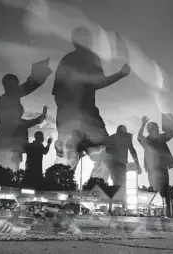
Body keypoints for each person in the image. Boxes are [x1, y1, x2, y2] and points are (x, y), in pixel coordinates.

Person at [52, 26, 131, 173]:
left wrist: (62, 127)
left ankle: (57, 187)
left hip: (68, 120)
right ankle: (106, 191)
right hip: (88, 119)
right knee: (108, 157)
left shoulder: (66, 60)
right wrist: (120, 74)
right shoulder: (91, 58)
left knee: (64, 167)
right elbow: (99, 82)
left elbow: (58, 96)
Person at [0, 72, 51, 171]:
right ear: (7, 86)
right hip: (7, 145)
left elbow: (26, 89)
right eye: (14, 85)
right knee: (10, 175)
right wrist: (40, 119)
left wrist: (34, 79)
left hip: (12, 146)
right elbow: (16, 123)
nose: (17, 88)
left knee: (13, 174)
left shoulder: (10, 99)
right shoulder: (4, 100)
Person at [138, 116, 173, 217]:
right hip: (153, 169)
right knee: (156, 190)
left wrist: (170, 122)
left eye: (158, 128)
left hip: (162, 167)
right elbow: (139, 137)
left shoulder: (160, 138)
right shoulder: (147, 141)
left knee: (165, 190)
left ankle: (167, 213)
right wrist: (142, 124)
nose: (158, 129)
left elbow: (171, 134)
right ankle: (156, 213)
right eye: (156, 127)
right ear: (151, 130)